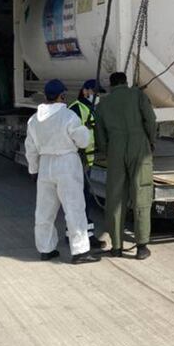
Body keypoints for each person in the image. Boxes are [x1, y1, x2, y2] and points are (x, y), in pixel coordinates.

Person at [24, 79, 100, 265]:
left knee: (44, 211)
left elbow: (30, 147)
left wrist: (33, 169)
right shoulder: (67, 116)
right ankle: (80, 252)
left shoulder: (34, 120)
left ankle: (46, 249)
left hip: (45, 165)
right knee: (74, 208)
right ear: (61, 96)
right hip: (66, 163)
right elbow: (82, 140)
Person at [95, 72, 157, 259]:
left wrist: (108, 150)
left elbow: (99, 133)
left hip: (115, 147)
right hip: (139, 146)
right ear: (126, 82)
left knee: (115, 198)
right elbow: (151, 120)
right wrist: (150, 141)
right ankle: (141, 247)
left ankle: (116, 246)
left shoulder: (103, 104)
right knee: (141, 194)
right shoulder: (137, 95)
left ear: (111, 86)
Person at [68, 79, 104, 249]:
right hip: (78, 161)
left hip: (87, 161)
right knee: (80, 200)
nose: (97, 96)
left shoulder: (90, 108)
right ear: (85, 91)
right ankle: (82, 236)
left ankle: (78, 233)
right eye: (94, 92)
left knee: (82, 199)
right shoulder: (76, 108)